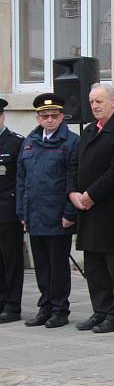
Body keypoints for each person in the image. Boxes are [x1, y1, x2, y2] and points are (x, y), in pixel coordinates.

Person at [67, 83, 114, 333]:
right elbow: (73, 165)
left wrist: (91, 195)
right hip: (86, 210)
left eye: (100, 101)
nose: (95, 106)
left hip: (111, 211)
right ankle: (100, 310)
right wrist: (72, 192)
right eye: (92, 101)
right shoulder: (88, 131)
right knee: (94, 265)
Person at [16, 93, 80, 328]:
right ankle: (45, 307)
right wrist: (22, 213)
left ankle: (60, 309)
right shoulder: (30, 141)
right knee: (41, 266)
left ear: (62, 117)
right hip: (35, 214)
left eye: (54, 115)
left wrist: (69, 213)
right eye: (44, 116)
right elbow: (22, 179)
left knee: (58, 266)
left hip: (57, 215)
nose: (49, 119)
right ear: (38, 118)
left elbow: (72, 181)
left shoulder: (71, 142)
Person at [0, 98, 26, 324]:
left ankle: (12, 304)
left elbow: (21, 179)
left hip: (7, 212)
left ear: (2, 117)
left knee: (11, 261)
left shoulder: (15, 143)